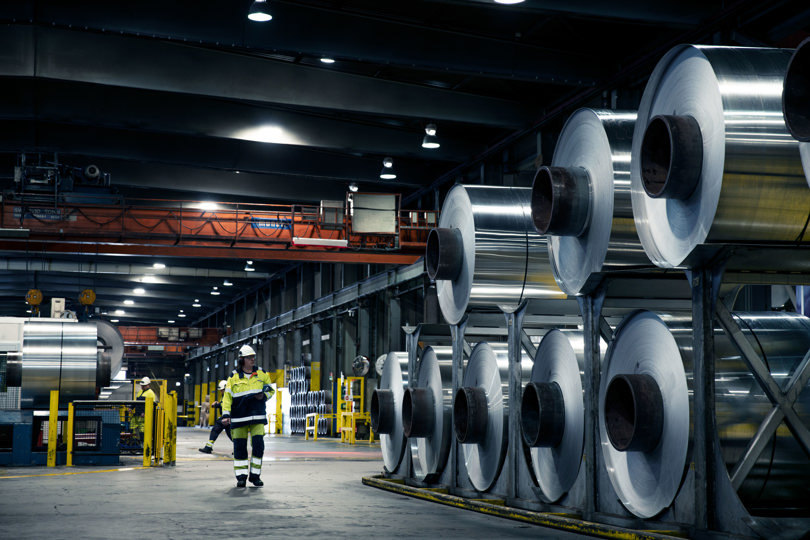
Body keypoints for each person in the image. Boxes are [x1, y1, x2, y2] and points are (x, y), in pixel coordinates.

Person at [221, 344, 274, 488]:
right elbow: (227, 398)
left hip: (257, 417)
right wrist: (225, 414)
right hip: (239, 419)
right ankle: (241, 477)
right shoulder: (233, 377)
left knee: (258, 446)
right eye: (249, 358)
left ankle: (255, 476)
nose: (252, 360)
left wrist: (263, 396)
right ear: (242, 359)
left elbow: (271, 390)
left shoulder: (261, 373)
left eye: (253, 357)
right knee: (239, 448)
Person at [199, 380, 232, 453]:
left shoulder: (229, 394)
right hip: (228, 417)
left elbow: (226, 405)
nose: (221, 391)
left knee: (215, 429)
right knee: (230, 434)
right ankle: (239, 449)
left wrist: (216, 405)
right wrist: (218, 403)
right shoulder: (224, 395)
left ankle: (208, 447)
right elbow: (223, 403)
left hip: (228, 417)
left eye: (222, 390)